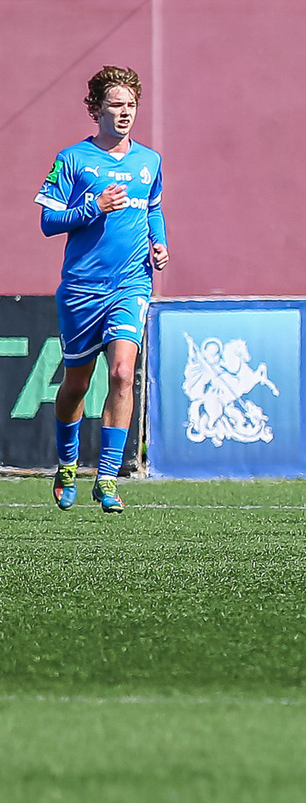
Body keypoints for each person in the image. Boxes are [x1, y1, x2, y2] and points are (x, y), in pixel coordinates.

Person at [32, 66, 167, 513]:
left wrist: (159, 242)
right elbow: (49, 222)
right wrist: (92, 207)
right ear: (96, 109)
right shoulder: (72, 159)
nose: (125, 113)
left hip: (131, 282)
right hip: (82, 289)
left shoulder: (149, 161)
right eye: (116, 105)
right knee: (76, 384)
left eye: (131, 105)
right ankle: (68, 463)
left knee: (123, 374)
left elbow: (154, 208)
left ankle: (108, 476)